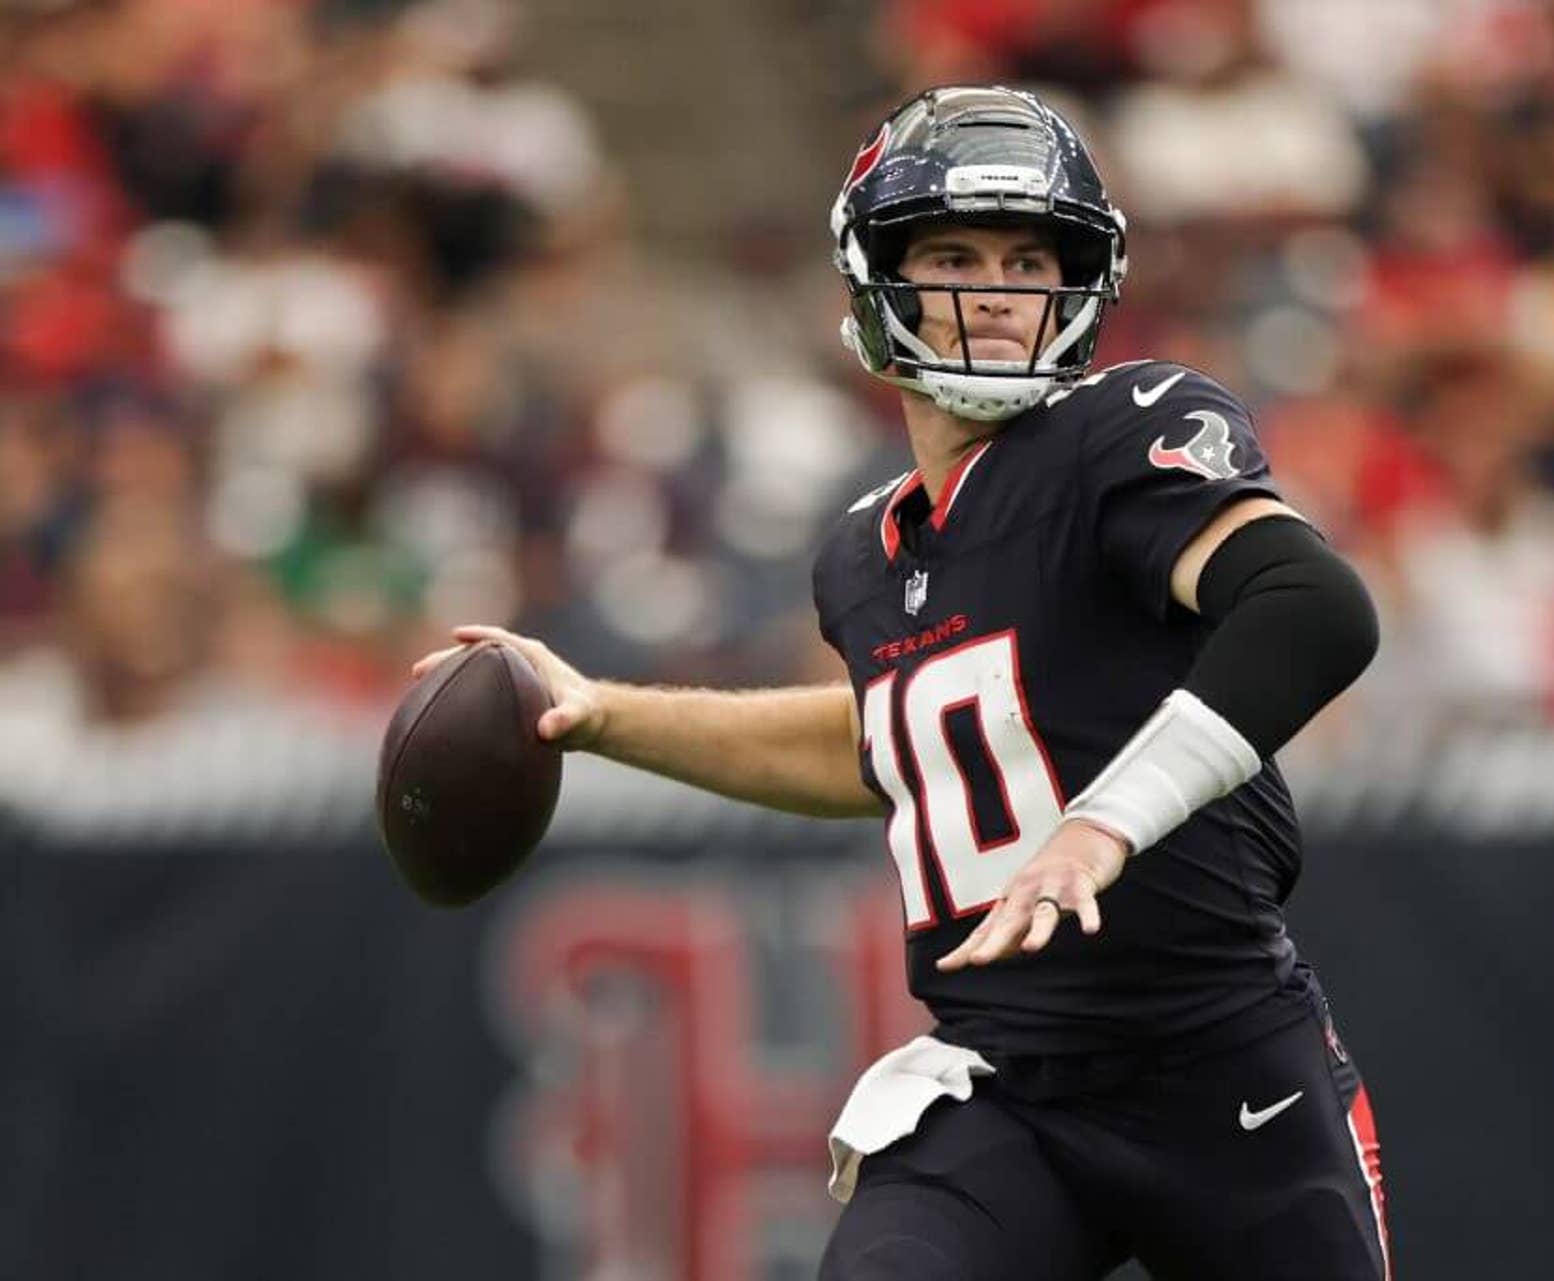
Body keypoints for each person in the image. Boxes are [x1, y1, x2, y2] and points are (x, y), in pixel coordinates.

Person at [415, 86, 1388, 1280]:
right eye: (954, 254)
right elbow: (888, 749)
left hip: (1223, 1065)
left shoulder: (1123, 432)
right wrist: (606, 715)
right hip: (1009, 1088)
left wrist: (1100, 829)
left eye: (1029, 257)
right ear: (880, 281)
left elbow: (1313, 608)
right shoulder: (862, 553)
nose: (993, 288)